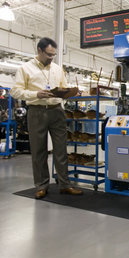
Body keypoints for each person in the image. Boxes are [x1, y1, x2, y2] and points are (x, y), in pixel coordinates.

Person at [10, 37, 83, 199]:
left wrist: (68, 92)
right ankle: (41, 186)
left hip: (56, 110)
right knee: (38, 151)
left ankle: (65, 184)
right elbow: (15, 91)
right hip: (36, 111)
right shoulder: (25, 68)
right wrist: (36, 94)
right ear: (39, 51)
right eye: (49, 54)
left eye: (54, 55)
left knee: (61, 149)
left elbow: (63, 86)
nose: (51, 58)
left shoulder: (57, 69)